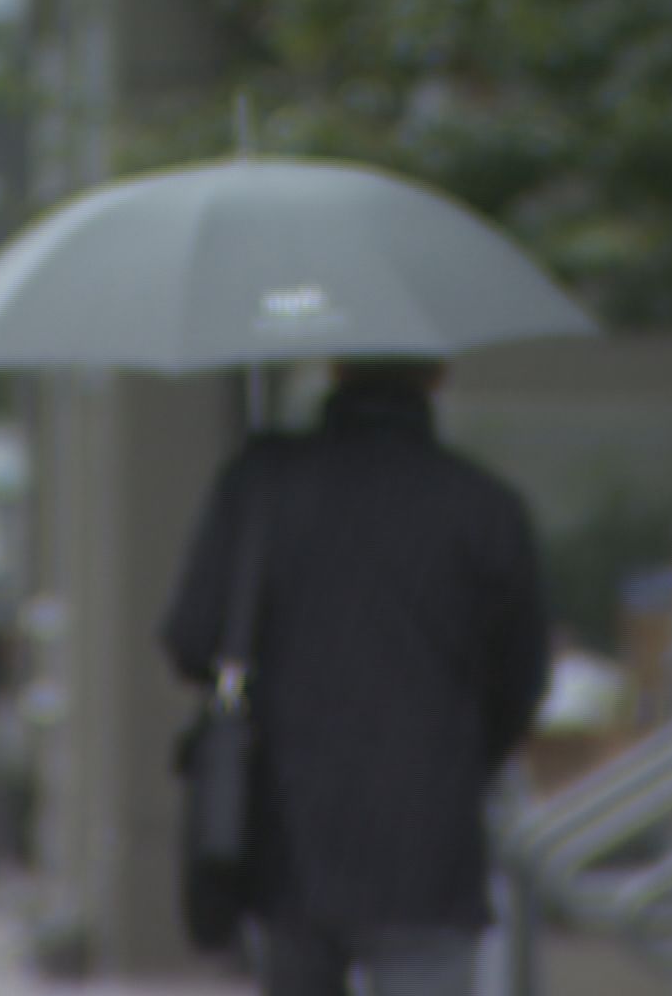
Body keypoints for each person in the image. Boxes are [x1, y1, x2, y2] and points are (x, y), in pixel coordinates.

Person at [162, 359, 552, 996]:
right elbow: (522, 681)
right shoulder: (486, 507)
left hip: (291, 838)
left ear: (336, 367)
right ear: (438, 376)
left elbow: (188, 640)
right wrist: (462, 759)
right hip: (432, 836)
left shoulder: (263, 485)